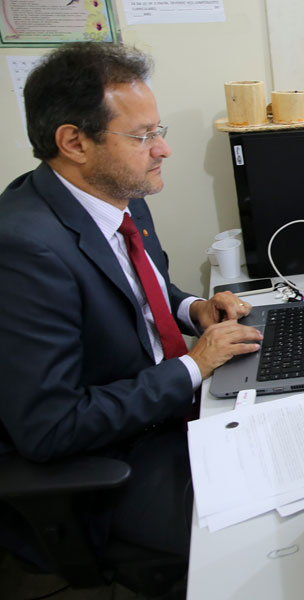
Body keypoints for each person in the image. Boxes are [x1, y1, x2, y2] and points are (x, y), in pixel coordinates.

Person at [0, 43, 263, 586]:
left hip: (162, 410)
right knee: (265, 537)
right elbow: (50, 427)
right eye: (142, 136)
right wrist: (194, 366)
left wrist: (194, 308)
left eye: (157, 130)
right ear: (74, 142)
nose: (162, 149)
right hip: (114, 463)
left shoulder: (118, 193)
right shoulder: (25, 249)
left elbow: (143, 287)